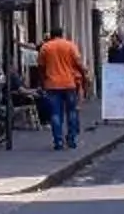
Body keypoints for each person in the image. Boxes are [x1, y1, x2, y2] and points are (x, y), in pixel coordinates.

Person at [35, 24, 87, 153]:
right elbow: (79, 64)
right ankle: (72, 140)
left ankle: (58, 141)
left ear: (51, 36)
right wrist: (84, 77)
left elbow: (40, 67)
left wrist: (42, 82)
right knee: (72, 112)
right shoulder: (70, 45)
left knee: (55, 114)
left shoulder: (45, 48)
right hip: (69, 83)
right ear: (61, 34)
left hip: (52, 85)